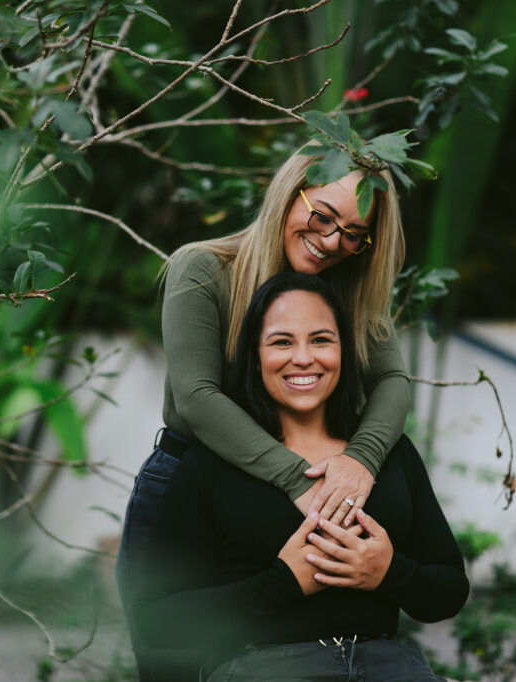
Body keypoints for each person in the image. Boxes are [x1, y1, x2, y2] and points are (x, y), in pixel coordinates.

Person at [117, 149, 410, 679]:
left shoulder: (348, 291)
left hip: (293, 496)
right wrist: (297, 479)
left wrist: (360, 462)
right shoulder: (203, 269)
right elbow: (196, 396)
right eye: (322, 216)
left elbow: (391, 380)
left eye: (353, 234)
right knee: (176, 659)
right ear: (289, 191)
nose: (330, 242)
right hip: (193, 487)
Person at [132, 272, 468, 680]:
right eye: (282, 341)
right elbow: (157, 620)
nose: (304, 357)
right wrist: (282, 583)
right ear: (255, 357)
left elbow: (449, 591)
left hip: (387, 665)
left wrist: (390, 572)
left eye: (321, 339)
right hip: (262, 666)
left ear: (345, 350)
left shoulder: (390, 455)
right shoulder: (212, 464)